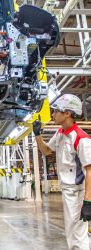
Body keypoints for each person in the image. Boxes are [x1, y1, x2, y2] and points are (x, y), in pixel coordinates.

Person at [33, 94, 91, 250]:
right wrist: (37, 135)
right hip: (67, 190)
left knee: (78, 232)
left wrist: (88, 201)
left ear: (68, 113)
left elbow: (90, 170)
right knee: (72, 230)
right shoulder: (60, 134)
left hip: (78, 192)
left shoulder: (81, 138)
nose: (53, 114)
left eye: (56, 110)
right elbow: (46, 151)